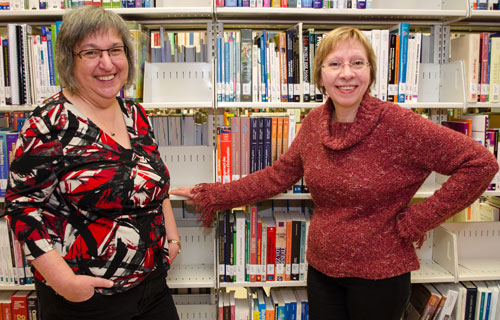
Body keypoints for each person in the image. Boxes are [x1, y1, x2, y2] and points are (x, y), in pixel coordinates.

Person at [169, 26, 499, 320]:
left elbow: (480, 164)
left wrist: (417, 220)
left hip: (381, 274)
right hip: (323, 269)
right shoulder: (314, 123)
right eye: (335, 64)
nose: (346, 73)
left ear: (370, 71)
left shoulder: (399, 124)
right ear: (320, 74)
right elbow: (277, 176)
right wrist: (210, 193)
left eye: (357, 63)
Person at [1, 6, 180, 320]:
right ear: (70, 60)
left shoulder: (134, 114)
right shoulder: (49, 122)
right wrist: (66, 283)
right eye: (91, 53)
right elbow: (22, 207)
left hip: (152, 287)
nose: (107, 63)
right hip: (86, 301)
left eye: (115, 50)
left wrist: (172, 238)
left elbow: (154, 180)